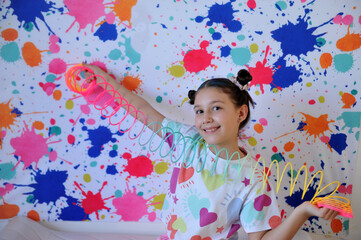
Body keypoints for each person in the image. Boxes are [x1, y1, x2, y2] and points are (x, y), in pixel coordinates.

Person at [82, 63, 339, 240]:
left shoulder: (254, 178)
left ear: (241, 113)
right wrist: (103, 82)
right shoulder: (188, 142)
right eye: (199, 110)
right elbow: (142, 110)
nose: (205, 117)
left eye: (215, 108)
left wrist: (302, 211)